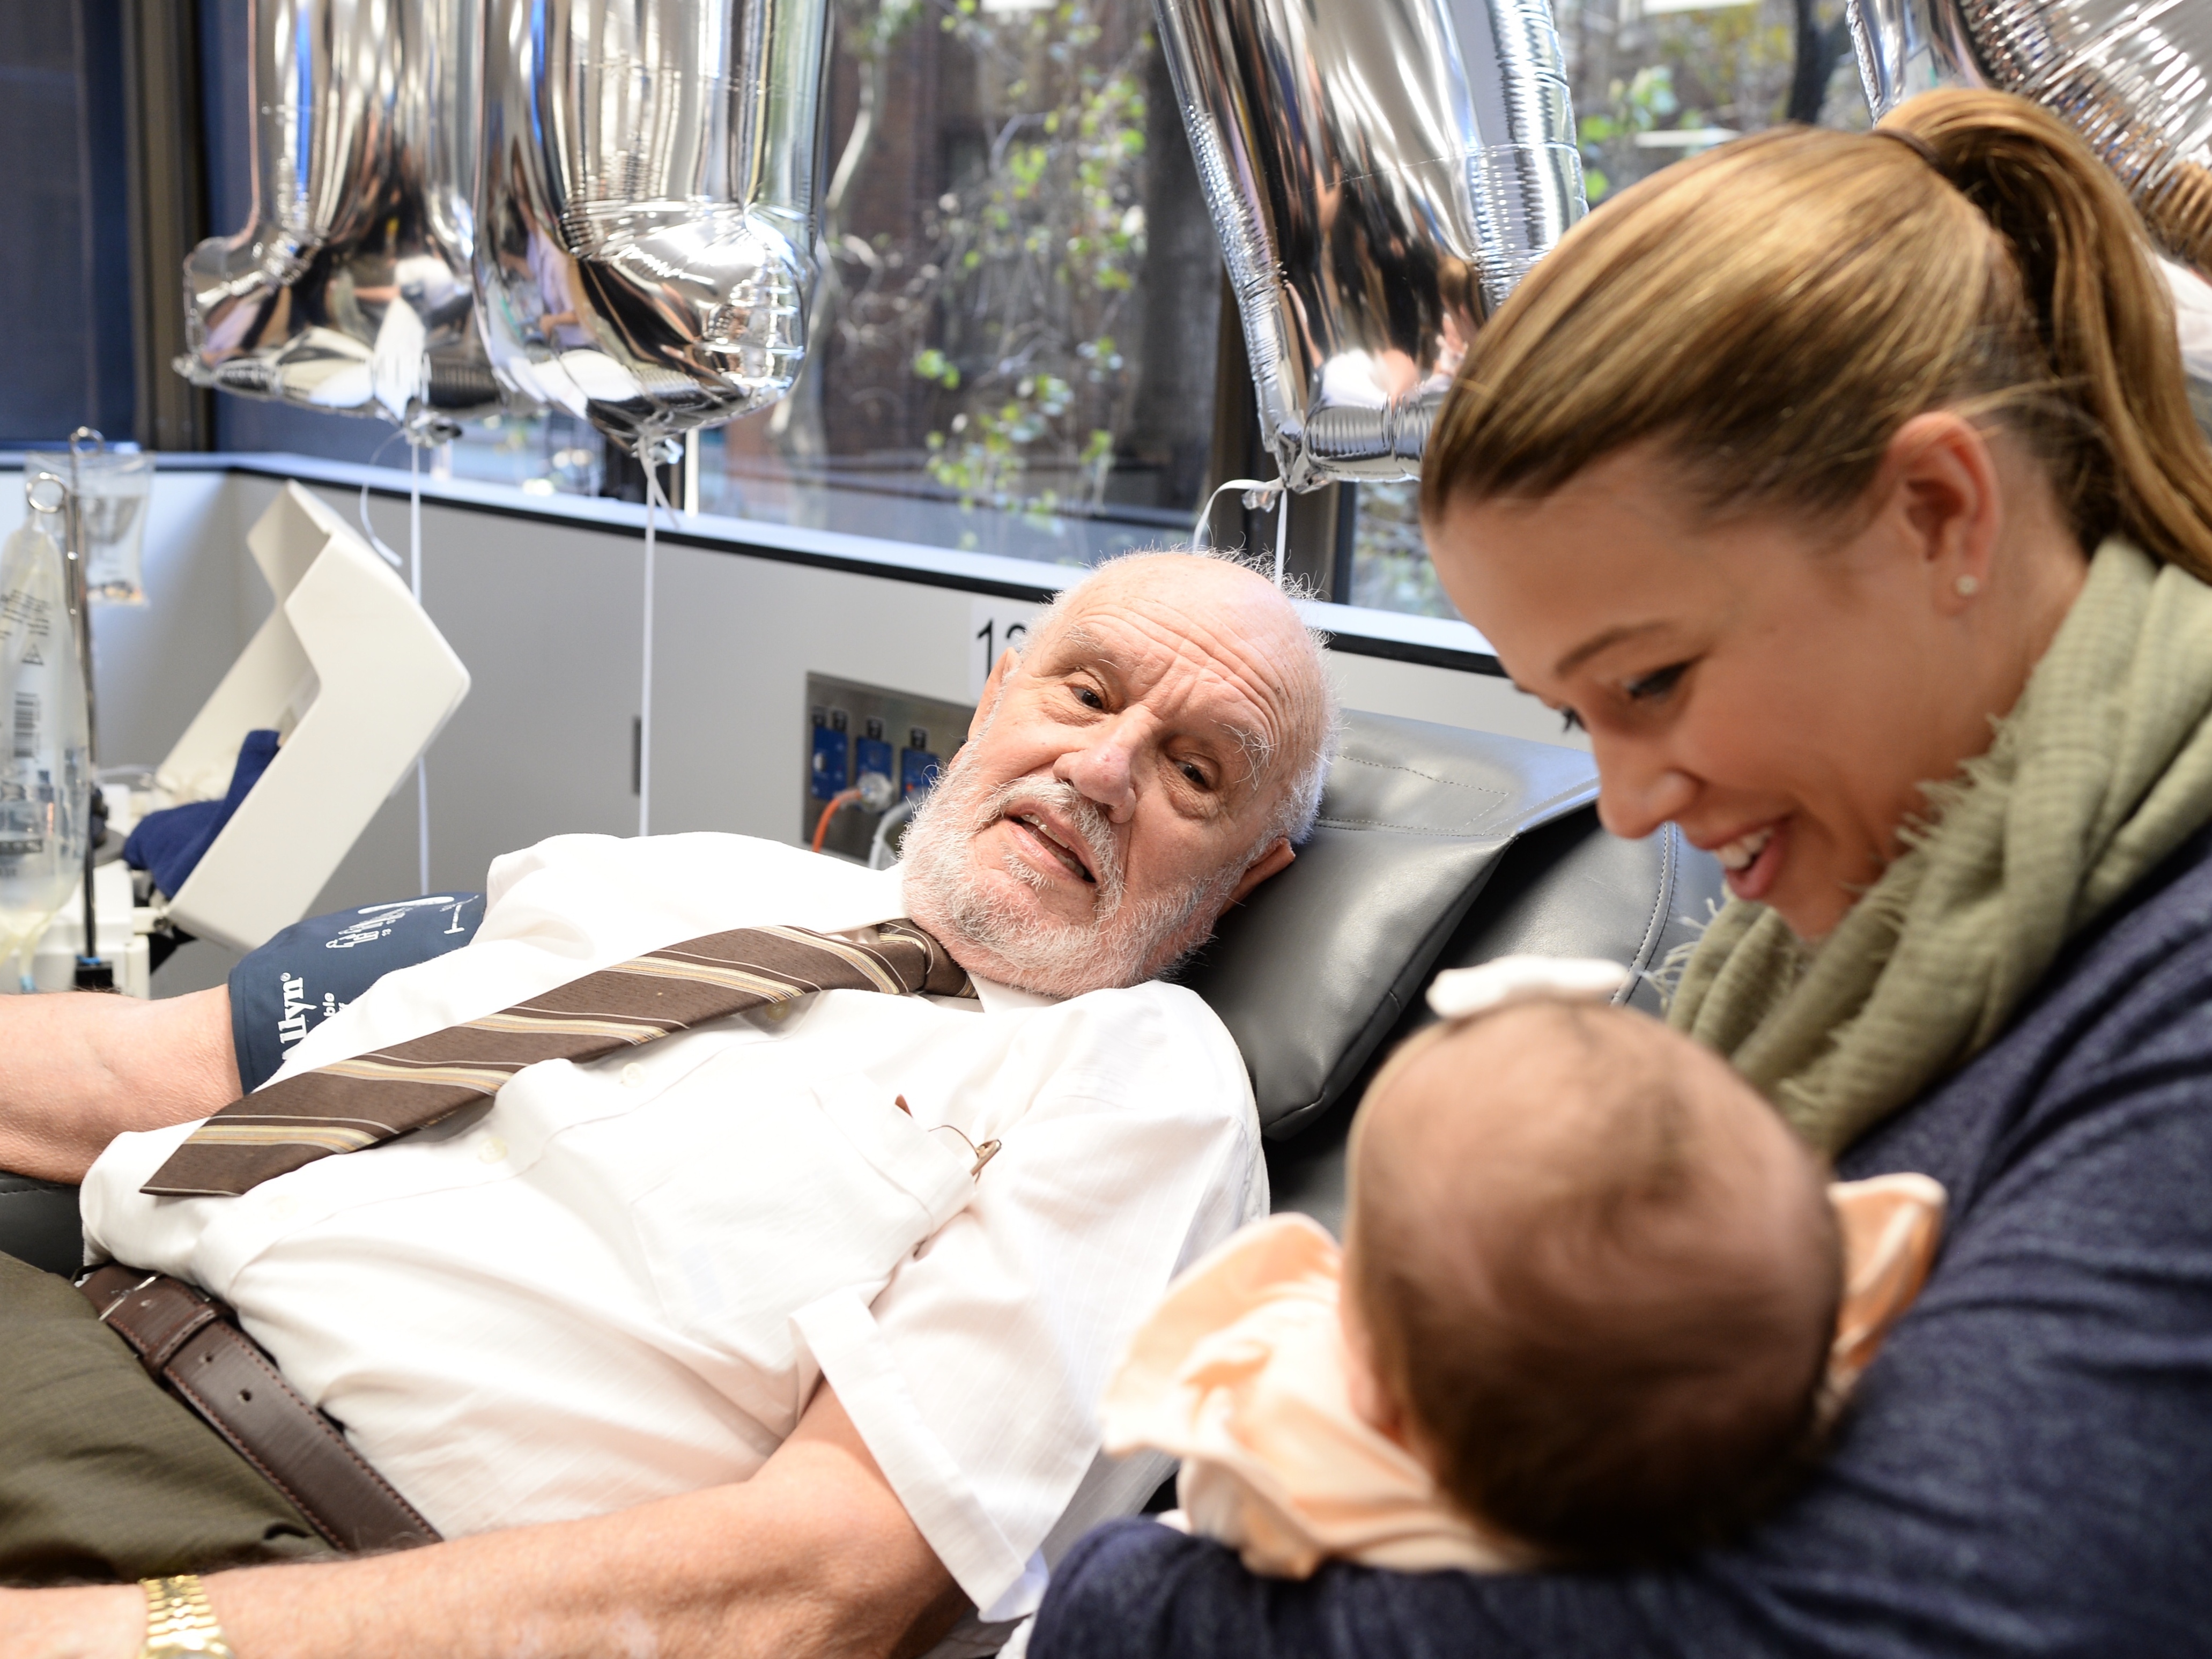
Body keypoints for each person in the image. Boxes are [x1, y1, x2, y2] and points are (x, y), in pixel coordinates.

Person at [1031, 86, 2212, 1658]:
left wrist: (1128, 1605)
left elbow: (1902, 1617)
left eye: (1647, 681)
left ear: (1938, 509)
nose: (1631, 802)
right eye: (1572, 715)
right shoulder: (1846, 942)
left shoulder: (2167, 997)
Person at [0, 549, 1335, 1659]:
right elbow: (162, 1071)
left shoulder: (1141, 1082)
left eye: (1194, 772)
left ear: (1249, 875)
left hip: (277, 1559)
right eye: (1083, 691)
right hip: (63, 1330)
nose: (1099, 770)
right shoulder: (670, 880)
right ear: (995, 696)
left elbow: (825, 1577)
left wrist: (146, 1635)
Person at [1099, 975, 1944, 1580]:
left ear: (1377, 1395)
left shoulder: (1317, 1448)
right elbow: (1876, 1234)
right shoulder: (1766, 1368)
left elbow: (1212, 1500)